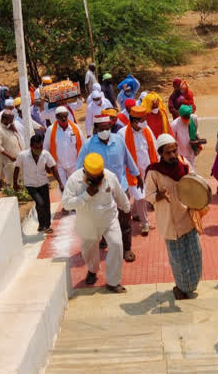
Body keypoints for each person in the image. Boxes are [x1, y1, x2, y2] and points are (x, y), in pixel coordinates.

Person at [61, 153, 130, 293]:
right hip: (87, 223)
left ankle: (113, 281)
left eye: (99, 177)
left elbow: (119, 194)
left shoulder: (109, 176)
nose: (98, 180)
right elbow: (66, 204)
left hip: (109, 218)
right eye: (94, 178)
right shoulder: (74, 180)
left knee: (116, 244)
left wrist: (126, 207)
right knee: (89, 252)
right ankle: (92, 271)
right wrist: (86, 195)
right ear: (85, 172)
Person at [145, 134, 203, 300]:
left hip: (188, 220)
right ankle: (181, 287)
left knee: (196, 256)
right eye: (168, 153)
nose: (172, 155)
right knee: (179, 261)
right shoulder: (154, 172)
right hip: (170, 224)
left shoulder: (184, 164)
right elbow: (148, 195)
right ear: (161, 154)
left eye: (174, 150)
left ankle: (188, 286)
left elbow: (195, 182)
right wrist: (159, 195)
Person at [77, 114, 141, 262]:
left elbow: (128, 158)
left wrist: (137, 175)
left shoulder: (118, 140)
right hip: (99, 190)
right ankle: (105, 238)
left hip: (120, 186)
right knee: (101, 217)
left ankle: (127, 249)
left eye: (108, 128)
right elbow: (79, 167)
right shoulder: (88, 145)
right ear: (96, 129)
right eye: (102, 129)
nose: (105, 131)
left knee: (125, 217)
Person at [119, 105, 158, 236]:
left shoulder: (147, 130)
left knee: (141, 197)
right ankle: (145, 223)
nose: (145, 122)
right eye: (143, 119)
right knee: (140, 197)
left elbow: (155, 147)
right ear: (135, 121)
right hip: (132, 173)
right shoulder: (122, 133)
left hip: (147, 170)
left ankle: (135, 213)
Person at [14, 134, 63, 234]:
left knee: (46, 205)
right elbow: (16, 168)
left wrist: (60, 182)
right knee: (40, 203)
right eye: (36, 148)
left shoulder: (45, 154)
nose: (39, 150)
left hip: (43, 183)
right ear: (31, 146)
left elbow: (53, 168)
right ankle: (42, 224)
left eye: (40, 147)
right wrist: (15, 182)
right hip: (30, 185)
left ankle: (45, 226)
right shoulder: (22, 156)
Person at [44, 106, 85, 192]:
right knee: (63, 188)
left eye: (65, 116)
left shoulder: (75, 128)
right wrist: (46, 164)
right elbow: (46, 148)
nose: (63, 118)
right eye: (60, 117)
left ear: (68, 116)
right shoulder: (50, 130)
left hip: (75, 164)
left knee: (76, 186)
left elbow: (83, 145)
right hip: (59, 165)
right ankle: (66, 204)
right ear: (56, 117)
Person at [0, 111, 25, 188]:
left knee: (20, 177)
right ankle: (12, 195)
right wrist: (10, 156)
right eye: (11, 120)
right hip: (9, 160)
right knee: (11, 179)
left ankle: (19, 194)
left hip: (17, 156)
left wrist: (13, 129)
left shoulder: (8, 126)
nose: (12, 122)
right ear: (4, 119)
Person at [170, 104, 203, 169]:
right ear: (180, 115)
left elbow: (196, 133)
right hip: (180, 153)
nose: (187, 118)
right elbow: (172, 140)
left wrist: (197, 142)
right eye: (185, 117)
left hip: (191, 152)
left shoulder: (193, 120)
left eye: (188, 116)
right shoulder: (174, 125)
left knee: (192, 170)